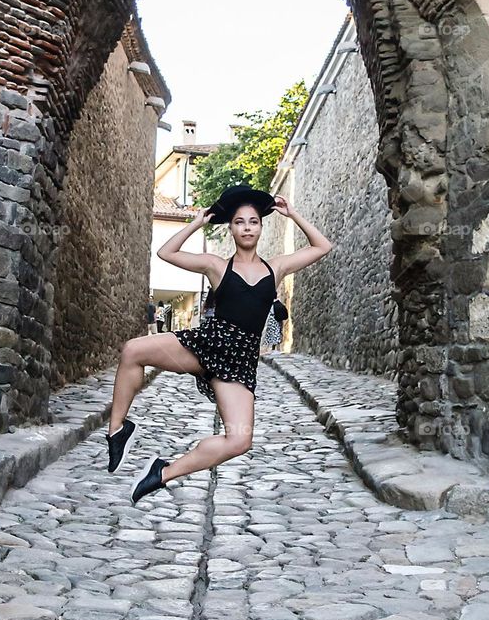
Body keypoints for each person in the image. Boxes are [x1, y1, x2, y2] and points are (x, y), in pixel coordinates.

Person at [105, 182, 334, 504]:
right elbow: (166, 253)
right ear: (231, 228)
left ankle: (161, 472)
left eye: (253, 221)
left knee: (239, 440)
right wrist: (197, 222)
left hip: (238, 362)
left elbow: (322, 246)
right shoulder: (216, 266)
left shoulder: (276, 267)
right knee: (133, 350)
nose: (247, 228)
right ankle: (118, 430)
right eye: (239, 222)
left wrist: (293, 213)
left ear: (261, 226)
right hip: (208, 344)